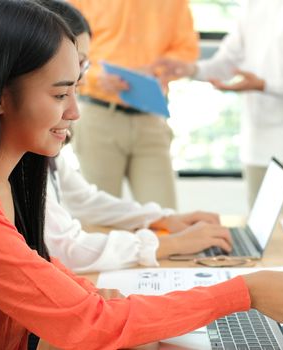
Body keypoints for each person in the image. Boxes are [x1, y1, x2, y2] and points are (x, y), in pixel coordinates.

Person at [0, 1, 283, 348]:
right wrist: (243, 292)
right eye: (60, 95)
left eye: (76, 89)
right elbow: (92, 324)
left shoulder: (2, 183)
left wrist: (104, 300)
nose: (74, 111)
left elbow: (56, 279)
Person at [39, 0, 232, 273]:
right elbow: (68, 248)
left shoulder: (47, 151)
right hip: (102, 109)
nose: (73, 113)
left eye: (83, 66)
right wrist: (165, 242)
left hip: (150, 112)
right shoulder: (24, 151)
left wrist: (164, 220)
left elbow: (84, 200)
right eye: (63, 91)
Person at [157, 0, 283, 213]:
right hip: (256, 148)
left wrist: (265, 85)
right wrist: (190, 69)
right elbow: (227, 62)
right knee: (260, 241)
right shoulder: (253, 5)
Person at [66, 0, 200, 209]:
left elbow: (187, 48)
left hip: (151, 117)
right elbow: (65, 46)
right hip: (98, 115)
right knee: (101, 214)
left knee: (165, 216)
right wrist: (94, 76)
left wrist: (157, 69)